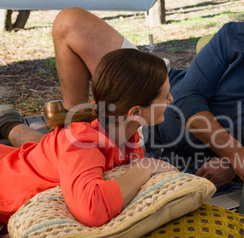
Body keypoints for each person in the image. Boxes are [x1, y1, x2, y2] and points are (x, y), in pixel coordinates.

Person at [1, 0, 244, 188]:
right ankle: (68, 130)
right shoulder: (235, 36)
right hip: (154, 102)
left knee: (72, 167)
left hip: (175, 159)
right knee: (70, 21)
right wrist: (236, 155)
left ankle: (16, 127)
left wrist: (231, 165)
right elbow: (187, 99)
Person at [0, 48, 177, 227]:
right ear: (136, 112)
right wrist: (146, 168)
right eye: (164, 96)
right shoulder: (81, 140)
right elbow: (92, 210)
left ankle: (9, 123)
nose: (171, 99)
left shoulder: (117, 125)